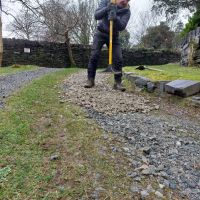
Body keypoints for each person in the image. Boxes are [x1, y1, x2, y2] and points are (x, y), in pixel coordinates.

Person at [84, 0, 131, 91]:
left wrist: (115, 18)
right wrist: (107, 8)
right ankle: (90, 80)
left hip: (114, 36)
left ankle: (117, 83)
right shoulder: (106, 1)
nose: (125, 1)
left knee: (118, 58)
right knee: (94, 55)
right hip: (100, 33)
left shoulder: (127, 11)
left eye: (128, 0)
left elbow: (122, 26)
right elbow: (96, 16)